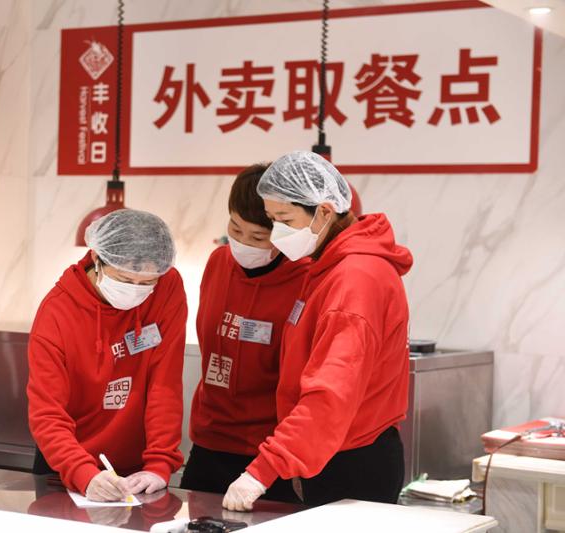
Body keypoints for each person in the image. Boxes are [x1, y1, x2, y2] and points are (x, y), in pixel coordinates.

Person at [222, 151, 413, 511]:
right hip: (328, 451)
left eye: (285, 220)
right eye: (273, 220)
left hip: (354, 462)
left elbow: (330, 394)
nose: (277, 233)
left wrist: (262, 471)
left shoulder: (355, 279)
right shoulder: (329, 266)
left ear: (324, 212)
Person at [27, 209, 187, 502]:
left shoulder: (167, 286)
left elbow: (165, 383)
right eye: (125, 279)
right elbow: (47, 412)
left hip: (137, 470)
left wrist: (160, 463)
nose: (136, 291)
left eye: (146, 283)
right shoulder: (57, 313)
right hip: (67, 465)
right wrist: (82, 472)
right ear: (97, 259)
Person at [180, 164, 308, 503]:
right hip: (209, 439)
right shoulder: (217, 263)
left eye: (258, 237)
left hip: (269, 451)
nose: (242, 243)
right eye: (235, 228)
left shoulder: (305, 279)